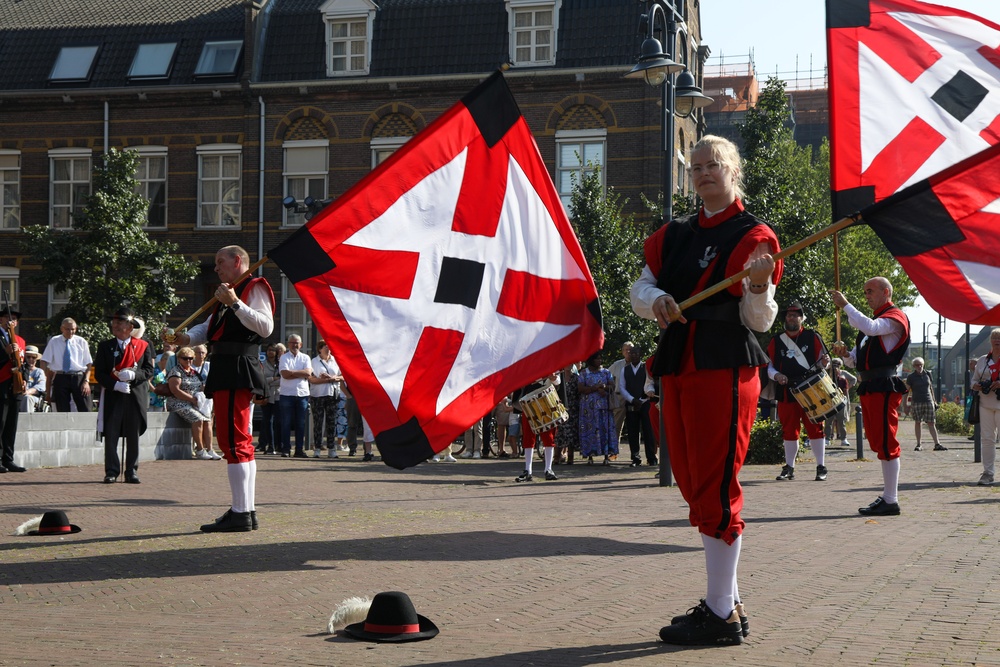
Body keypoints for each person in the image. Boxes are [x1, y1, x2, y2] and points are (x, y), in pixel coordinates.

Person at [630, 135, 781, 646]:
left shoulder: (754, 235)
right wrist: (658, 300)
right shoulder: (671, 235)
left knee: (716, 485)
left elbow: (757, 320)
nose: (702, 173)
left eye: (712, 164)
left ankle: (719, 614)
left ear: (732, 169)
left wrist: (758, 286)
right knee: (695, 483)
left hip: (723, 364)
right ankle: (728, 603)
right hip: (678, 363)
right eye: (694, 166)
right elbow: (639, 288)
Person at [165, 245, 274, 533]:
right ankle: (245, 510)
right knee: (237, 441)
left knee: (234, 441)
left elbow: (265, 327)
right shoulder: (227, 292)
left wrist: (236, 302)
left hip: (237, 367)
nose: (216, 267)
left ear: (238, 261)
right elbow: (208, 327)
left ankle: (241, 512)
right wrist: (182, 338)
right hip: (228, 366)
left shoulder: (252, 287)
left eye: (220, 262)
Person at [830, 276, 910, 517]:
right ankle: (888, 497)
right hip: (871, 384)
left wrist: (845, 305)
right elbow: (855, 361)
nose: (867, 296)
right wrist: (845, 355)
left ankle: (891, 499)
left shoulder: (894, 318)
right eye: (865, 291)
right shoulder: (873, 324)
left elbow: (871, 328)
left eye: (870, 291)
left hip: (884, 385)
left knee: (886, 440)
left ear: (886, 292)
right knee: (877, 440)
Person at [767, 302, 830, 482]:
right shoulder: (776, 340)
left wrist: (824, 363)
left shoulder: (812, 337)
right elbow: (769, 367)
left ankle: (820, 466)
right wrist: (777, 375)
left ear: (801, 318)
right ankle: (789, 467)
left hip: (811, 390)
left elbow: (821, 365)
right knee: (789, 430)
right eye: (788, 315)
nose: (791, 318)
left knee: (816, 428)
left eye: (795, 315)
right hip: (787, 390)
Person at [95, 307, 155, 484]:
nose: (115, 325)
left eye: (120, 322)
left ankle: (131, 471)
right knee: (112, 433)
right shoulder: (105, 346)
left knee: (132, 434)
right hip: (114, 394)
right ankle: (112, 471)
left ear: (130, 327)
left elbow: (148, 371)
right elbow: (99, 373)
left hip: (135, 395)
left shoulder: (143, 346)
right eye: (114, 323)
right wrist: (115, 384)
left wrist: (134, 376)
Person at [165, 346, 217, 459]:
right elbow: (175, 390)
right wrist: (192, 399)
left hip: (194, 403)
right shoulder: (176, 372)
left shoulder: (193, 372)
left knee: (208, 419)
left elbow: (199, 386)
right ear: (179, 359)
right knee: (198, 419)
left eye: (191, 358)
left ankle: (210, 449)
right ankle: (199, 450)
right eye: (185, 358)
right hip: (178, 403)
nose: (188, 361)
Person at [511, 373, 561, 482]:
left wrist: (554, 378)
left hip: (546, 402)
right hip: (529, 402)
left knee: (549, 437)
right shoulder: (527, 365)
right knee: (528, 436)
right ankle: (527, 470)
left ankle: (548, 469)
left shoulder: (551, 364)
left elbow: (558, 381)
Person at [40, 317, 93, 412]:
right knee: (62, 409)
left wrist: (86, 381)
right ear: (62, 329)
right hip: (61, 376)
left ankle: (87, 427)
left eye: (73, 329)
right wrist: (44, 377)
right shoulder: (54, 341)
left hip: (78, 377)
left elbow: (89, 363)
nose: (70, 332)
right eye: (67, 329)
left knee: (85, 408)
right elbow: (44, 360)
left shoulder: (81, 341)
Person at [618, 345, 656, 467]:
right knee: (633, 431)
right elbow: (622, 387)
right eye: (631, 353)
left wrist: (642, 399)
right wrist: (632, 399)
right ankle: (635, 457)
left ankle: (651, 457)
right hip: (631, 403)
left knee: (648, 431)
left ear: (641, 355)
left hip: (645, 403)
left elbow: (651, 383)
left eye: (635, 353)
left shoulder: (646, 368)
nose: (633, 355)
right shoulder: (625, 369)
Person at [971, 328, 1000, 486]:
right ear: (990, 341)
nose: (997, 341)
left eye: (999, 338)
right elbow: (974, 379)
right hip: (985, 403)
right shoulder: (983, 360)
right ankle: (988, 473)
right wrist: (976, 386)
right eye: (994, 338)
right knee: (987, 439)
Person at [577, 351, 617, 465]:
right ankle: (590, 455)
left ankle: (606, 455)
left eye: (600, 358)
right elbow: (580, 388)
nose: (599, 361)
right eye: (597, 359)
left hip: (604, 408)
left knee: (605, 429)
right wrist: (594, 388)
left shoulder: (606, 372)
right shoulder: (584, 373)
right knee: (590, 430)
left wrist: (604, 387)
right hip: (588, 410)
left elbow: (612, 386)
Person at [0, 307, 27, 473]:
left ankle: (8, 459)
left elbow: (23, 363)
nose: (11, 321)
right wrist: (5, 353)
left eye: (14, 319)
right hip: (1, 382)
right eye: (7, 318)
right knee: (0, 423)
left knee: (11, 424)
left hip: (15, 384)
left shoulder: (20, 340)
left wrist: (24, 380)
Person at [279, 334, 312, 458]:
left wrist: (292, 373)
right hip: (287, 394)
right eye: (292, 343)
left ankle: (299, 449)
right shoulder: (284, 358)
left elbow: (308, 373)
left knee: (301, 424)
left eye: (297, 343)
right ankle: (286, 449)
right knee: (286, 423)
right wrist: (300, 373)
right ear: (288, 344)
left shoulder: (305, 357)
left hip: (302, 394)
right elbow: (284, 374)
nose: (295, 345)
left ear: (301, 344)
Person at [309, 340, 343, 459]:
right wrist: (327, 379)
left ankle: (331, 448)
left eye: (329, 347)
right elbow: (311, 379)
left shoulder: (335, 360)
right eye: (325, 347)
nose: (328, 349)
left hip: (332, 395)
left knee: (332, 422)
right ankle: (317, 448)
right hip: (317, 395)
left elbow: (342, 376)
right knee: (318, 422)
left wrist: (333, 377)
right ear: (319, 349)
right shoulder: (314, 361)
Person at [905, 357, 945, 451]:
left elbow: (931, 388)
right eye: (917, 365)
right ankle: (919, 444)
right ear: (914, 366)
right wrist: (905, 404)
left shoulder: (928, 374)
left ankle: (937, 444)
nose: (919, 367)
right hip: (917, 402)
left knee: (931, 422)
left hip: (928, 401)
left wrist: (934, 401)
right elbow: (906, 391)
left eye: (921, 365)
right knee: (918, 422)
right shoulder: (911, 377)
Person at [824, 358, 856, 447]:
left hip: (840, 402)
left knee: (841, 421)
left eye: (837, 367)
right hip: (830, 402)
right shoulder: (826, 377)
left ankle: (843, 438)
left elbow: (846, 390)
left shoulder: (843, 379)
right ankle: (827, 438)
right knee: (828, 421)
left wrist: (848, 388)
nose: (835, 369)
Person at [607, 341, 633, 448]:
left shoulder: (639, 365)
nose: (628, 352)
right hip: (619, 397)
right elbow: (606, 376)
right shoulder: (617, 365)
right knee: (616, 425)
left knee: (634, 426)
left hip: (633, 398)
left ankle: (635, 454)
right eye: (626, 350)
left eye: (630, 349)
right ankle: (613, 450)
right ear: (622, 352)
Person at [259, 342, 283, 454]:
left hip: (278, 395)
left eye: (273, 350)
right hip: (267, 395)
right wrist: (273, 379)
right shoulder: (262, 364)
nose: (270, 352)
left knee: (278, 422)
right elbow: (261, 380)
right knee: (267, 421)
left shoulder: (281, 364)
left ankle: (279, 445)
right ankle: (270, 446)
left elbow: (283, 380)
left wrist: (271, 380)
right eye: (268, 350)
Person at [553, 362, 579, 464]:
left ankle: (571, 457)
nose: (568, 365)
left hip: (573, 408)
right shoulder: (559, 378)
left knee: (571, 433)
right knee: (559, 433)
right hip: (560, 408)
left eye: (570, 363)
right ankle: (556, 457)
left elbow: (579, 393)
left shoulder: (576, 378)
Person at [19, 345, 46, 413]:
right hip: (18, 395)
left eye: (33, 357)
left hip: (32, 397)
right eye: (28, 357)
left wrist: (27, 392)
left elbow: (41, 387)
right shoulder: (19, 371)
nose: (31, 359)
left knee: (27, 398)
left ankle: (27, 422)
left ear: (36, 359)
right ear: (24, 357)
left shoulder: (39, 372)